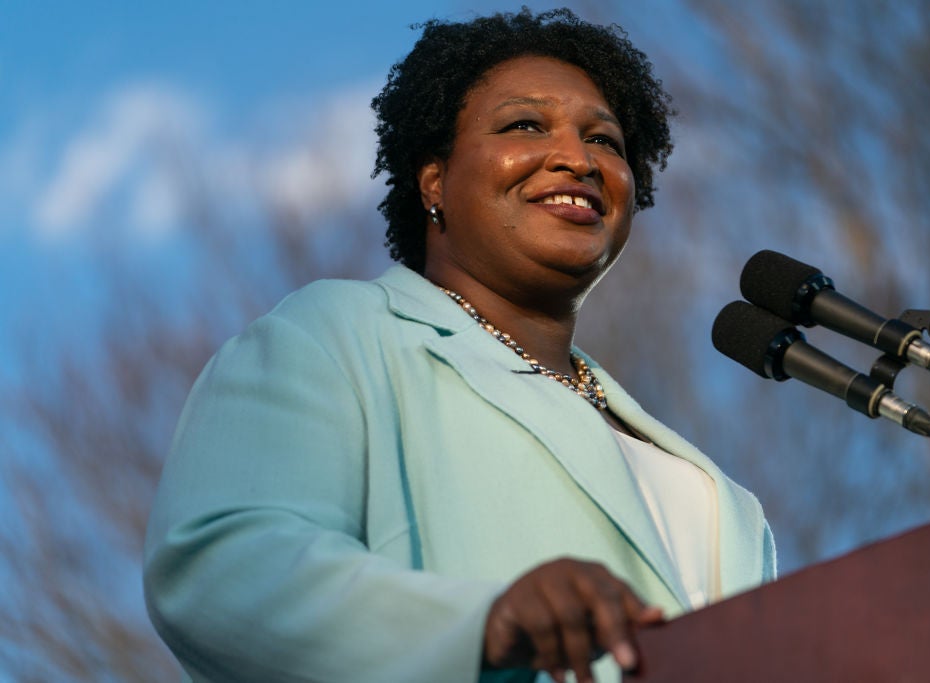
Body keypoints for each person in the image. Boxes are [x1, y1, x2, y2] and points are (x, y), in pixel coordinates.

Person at [143, 8, 776, 683]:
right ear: (434, 180)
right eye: (525, 125)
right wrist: (482, 624)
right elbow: (223, 566)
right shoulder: (340, 335)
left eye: (605, 140)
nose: (578, 158)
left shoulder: (722, 499)